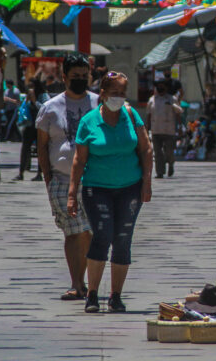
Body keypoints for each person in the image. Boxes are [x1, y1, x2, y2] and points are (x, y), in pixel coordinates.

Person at [68, 71, 153, 313]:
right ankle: (92, 294)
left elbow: (146, 150)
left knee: (123, 239)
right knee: (103, 235)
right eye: (114, 93)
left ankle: (116, 295)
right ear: (102, 94)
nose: (119, 98)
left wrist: (147, 182)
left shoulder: (131, 114)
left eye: (122, 93)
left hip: (130, 188)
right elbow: (78, 160)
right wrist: (72, 194)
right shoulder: (89, 122)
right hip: (98, 188)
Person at [36, 53, 98, 302]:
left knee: (89, 232)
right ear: (64, 78)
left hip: (95, 177)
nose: (81, 80)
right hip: (61, 178)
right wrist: (47, 177)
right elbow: (41, 145)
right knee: (73, 232)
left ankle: (87, 283)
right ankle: (77, 283)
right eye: (75, 77)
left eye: (85, 76)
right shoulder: (50, 108)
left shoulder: (99, 103)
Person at [145, 76, 183, 178]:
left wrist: (180, 127)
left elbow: (178, 113)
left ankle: (171, 163)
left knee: (169, 151)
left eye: (162, 86)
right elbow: (148, 114)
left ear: (166, 88)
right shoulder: (152, 100)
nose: (160, 88)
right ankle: (160, 172)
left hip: (169, 130)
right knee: (157, 152)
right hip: (156, 129)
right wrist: (147, 127)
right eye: (158, 86)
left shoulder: (172, 99)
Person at [17, 78, 48, 181]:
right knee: (25, 148)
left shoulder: (43, 96)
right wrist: (26, 101)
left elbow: (45, 109)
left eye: (32, 86)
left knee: (40, 149)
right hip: (30, 126)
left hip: (40, 126)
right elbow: (23, 109)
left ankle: (40, 172)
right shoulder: (29, 96)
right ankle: (21, 172)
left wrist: (35, 101)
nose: (30, 89)